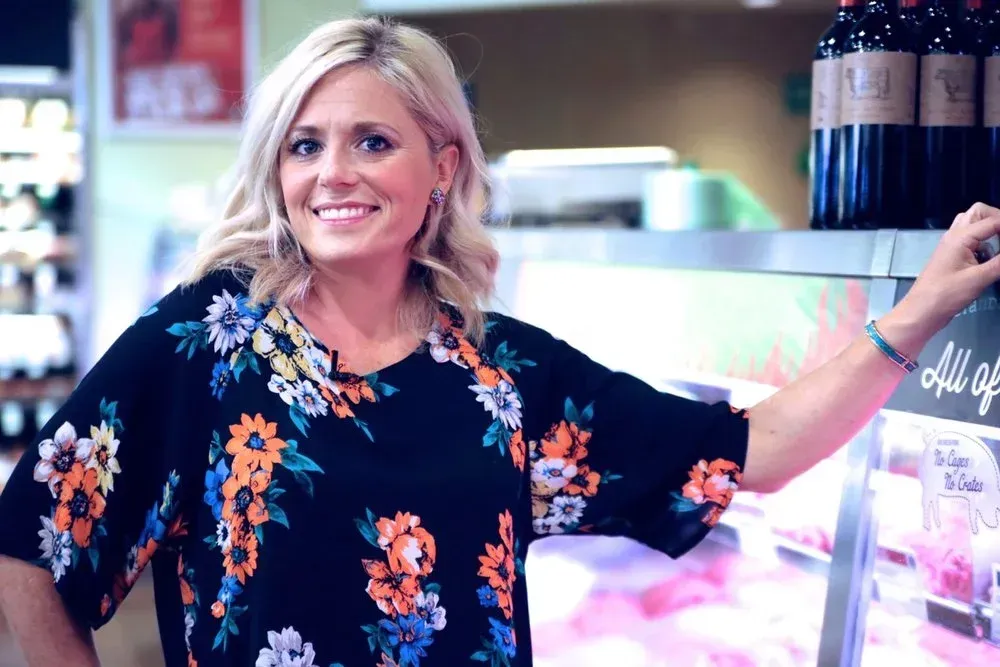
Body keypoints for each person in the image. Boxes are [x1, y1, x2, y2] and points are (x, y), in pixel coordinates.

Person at [0, 15, 998, 667]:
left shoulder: (503, 373)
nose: (332, 173)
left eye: (372, 141)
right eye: (304, 145)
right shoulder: (203, 345)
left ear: (441, 166)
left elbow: (748, 452)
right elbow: (28, 552)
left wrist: (914, 314)